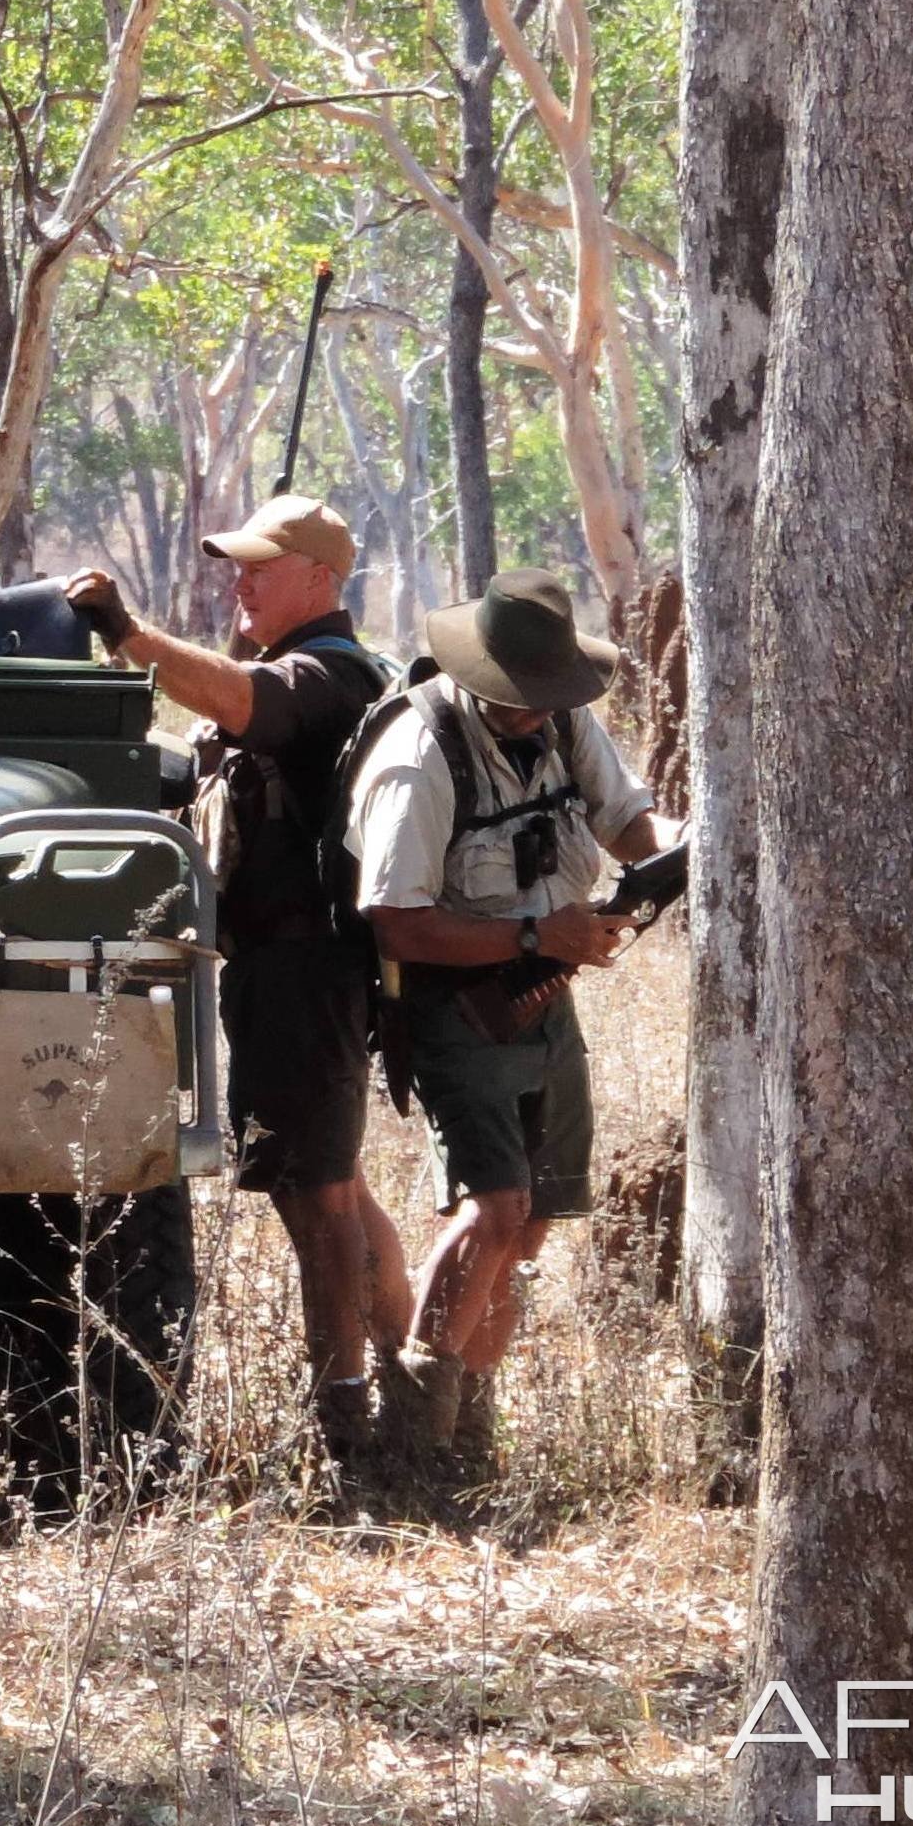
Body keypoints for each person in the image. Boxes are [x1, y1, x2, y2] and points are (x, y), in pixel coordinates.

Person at [63, 497, 414, 1477]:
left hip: (311, 971)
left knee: (320, 1201)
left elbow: (250, 700)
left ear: (321, 579)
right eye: (235, 567)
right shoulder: (293, 667)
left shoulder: (327, 676)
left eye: (261, 567)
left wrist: (132, 638)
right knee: (331, 1182)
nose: (240, 581)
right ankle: (417, 1377)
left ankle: (348, 1419)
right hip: (277, 971)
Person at [343, 569, 679, 1477]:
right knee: (494, 1209)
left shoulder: (564, 717)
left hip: (547, 996)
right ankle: (414, 1440)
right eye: (521, 698)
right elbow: (397, 921)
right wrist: (535, 929)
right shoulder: (419, 758)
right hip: (453, 1008)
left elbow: (630, 823)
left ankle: (468, 1440)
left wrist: (675, 860)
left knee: (528, 1226)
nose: (537, 712)